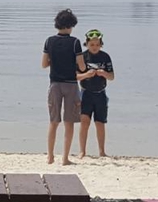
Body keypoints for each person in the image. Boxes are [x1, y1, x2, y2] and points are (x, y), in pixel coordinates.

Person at [41, 9, 86, 165]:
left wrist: (56, 62)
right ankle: (65, 158)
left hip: (54, 84)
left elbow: (44, 64)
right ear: (70, 25)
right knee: (69, 122)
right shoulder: (75, 42)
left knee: (53, 122)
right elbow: (81, 66)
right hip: (71, 85)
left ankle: (50, 156)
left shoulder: (49, 41)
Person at [76, 29, 114, 158]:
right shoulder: (82, 57)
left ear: (101, 45)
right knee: (84, 122)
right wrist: (86, 74)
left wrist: (104, 73)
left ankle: (102, 151)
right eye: (92, 44)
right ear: (86, 44)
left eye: (97, 45)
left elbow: (112, 77)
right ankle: (82, 151)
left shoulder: (105, 57)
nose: (95, 47)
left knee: (100, 123)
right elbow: (75, 76)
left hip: (101, 94)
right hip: (86, 93)